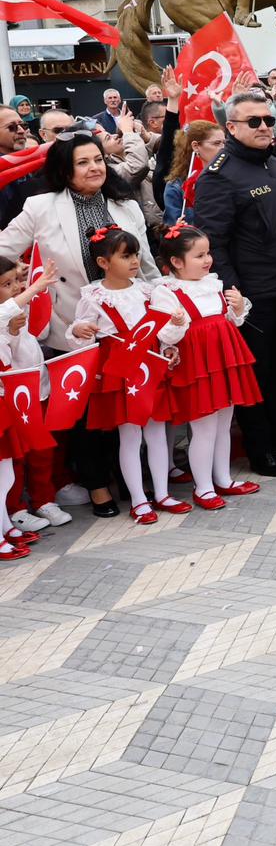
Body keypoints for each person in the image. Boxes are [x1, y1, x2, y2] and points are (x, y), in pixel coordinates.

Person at [193, 89, 276, 477]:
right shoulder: (219, 176)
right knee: (255, 374)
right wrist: (234, 294)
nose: (264, 126)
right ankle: (259, 449)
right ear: (231, 127)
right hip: (253, 295)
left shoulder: (271, 163)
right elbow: (213, 242)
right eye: (254, 121)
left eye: (269, 120)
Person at [66, 227, 188, 526]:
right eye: (125, 256)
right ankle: (138, 499)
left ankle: (162, 493)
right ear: (104, 263)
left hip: (150, 367)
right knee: (129, 436)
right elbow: (78, 332)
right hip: (120, 371)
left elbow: (165, 331)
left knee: (157, 432)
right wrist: (79, 331)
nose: (134, 261)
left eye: (135, 254)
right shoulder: (93, 296)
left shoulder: (150, 291)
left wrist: (175, 327)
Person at [0, 130, 159, 354]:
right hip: (72, 327)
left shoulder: (127, 206)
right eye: (83, 162)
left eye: (98, 160)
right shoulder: (40, 207)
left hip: (131, 328)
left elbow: (147, 267)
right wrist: (17, 270)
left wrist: (162, 308)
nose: (95, 167)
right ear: (64, 171)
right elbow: (3, 249)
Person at [151, 222, 263, 510]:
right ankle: (203, 488)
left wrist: (238, 308)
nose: (207, 260)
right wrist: (176, 325)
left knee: (224, 422)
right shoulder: (166, 292)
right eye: (199, 256)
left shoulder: (213, 283)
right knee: (204, 427)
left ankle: (223, 479)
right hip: (197, 365)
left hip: (224, 359)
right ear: (176, 262)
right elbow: (164, 339)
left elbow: (231, 321)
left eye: (208, 253)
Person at [0, 253, 60, 556]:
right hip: (8, 400)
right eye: (6, 284)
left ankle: (24, 514)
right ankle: (10, 517)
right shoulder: (5, 315)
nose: (14, 289)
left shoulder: (15, 314)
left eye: (16, 282)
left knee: (21, 461)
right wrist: (36, 286)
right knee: (7, 465)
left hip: (26, 395)